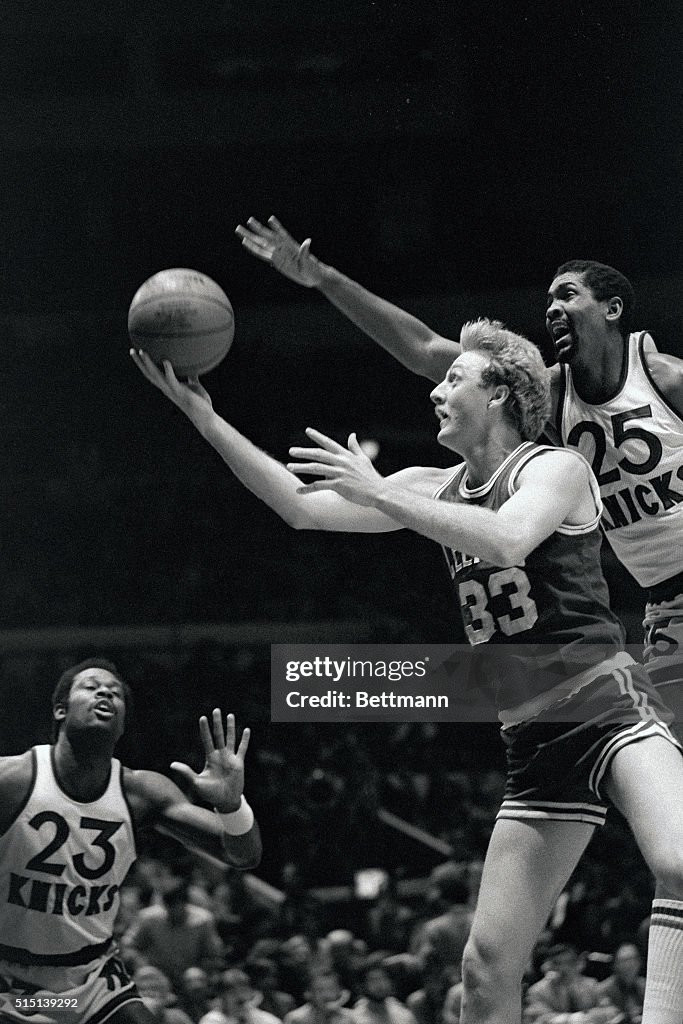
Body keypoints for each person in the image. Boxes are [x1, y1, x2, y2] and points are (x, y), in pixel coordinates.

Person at [132, 318, 683, 1024]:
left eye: (455, 378)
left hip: (604, 703)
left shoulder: (554, 467)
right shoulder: (431, 482)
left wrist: (379, 491)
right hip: (531, 738)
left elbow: (508, 539)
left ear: (501, 395)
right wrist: (204, 418)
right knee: (484, 971)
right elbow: (300, 509)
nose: (436, 391)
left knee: (675, 860)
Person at [0, 658, 261, 1024]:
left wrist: (232, 806)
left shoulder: (141, 793)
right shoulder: (11, 780)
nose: (105, 691)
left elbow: (243, 854)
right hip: (13, 983)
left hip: (93, 978)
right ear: (60, 709)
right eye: (91, 686)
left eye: (116, 692)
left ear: (121, 724)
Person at [523, 944, 618, 1024]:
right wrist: (572, 1018)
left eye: (568, 963)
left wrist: (586, 1015)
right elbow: (537, 1018)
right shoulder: (538, 991)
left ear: (577, 964)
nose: (563, 968)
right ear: (549, 966)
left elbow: (610, 1011)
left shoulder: (591, 985)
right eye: (557, 963)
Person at [596, 944, 646, 1024]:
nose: (629, 965)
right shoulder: (604, 989)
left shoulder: (645, 986)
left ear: (639, 962)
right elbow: (607, 1017)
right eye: (624, 961)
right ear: (615, 965)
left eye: (633, 959)